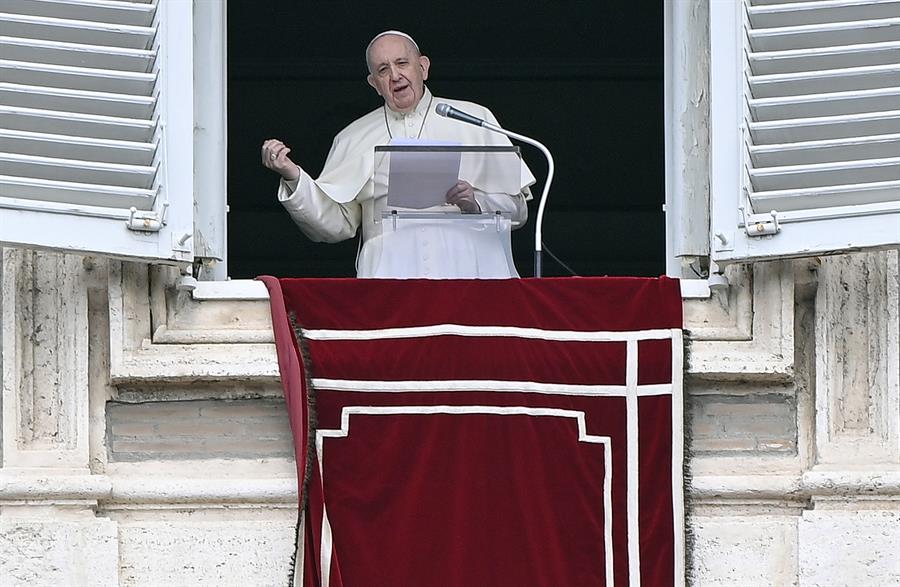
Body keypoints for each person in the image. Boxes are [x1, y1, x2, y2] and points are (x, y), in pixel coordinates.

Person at [261, 30, 535, 278]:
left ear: (423, 67)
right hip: (389, 272)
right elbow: (335, 225)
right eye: (383, 69)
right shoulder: (352, 137)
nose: (395, 75)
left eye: (402, 63)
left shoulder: (475, 118)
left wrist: (475, 205)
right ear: (374, 83)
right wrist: (294, 177)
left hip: (472, 267)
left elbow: (518, 210)